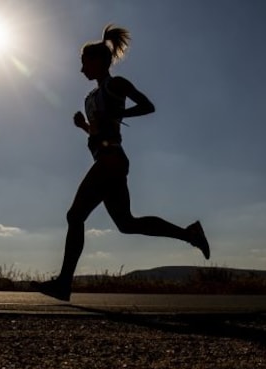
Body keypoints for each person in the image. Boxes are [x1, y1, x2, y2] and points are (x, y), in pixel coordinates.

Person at [33, 24, 210, 301]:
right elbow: (99, 131)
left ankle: (64, 284)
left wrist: (118, 114)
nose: (81, 69)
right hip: (109, 159)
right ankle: (190, 234)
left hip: (111, 161)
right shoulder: (90, 97)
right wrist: (84, 126)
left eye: (84, 63)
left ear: (98, 61)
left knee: (74, 216)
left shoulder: (116, 85)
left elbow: (148, 106)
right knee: (127, 223)